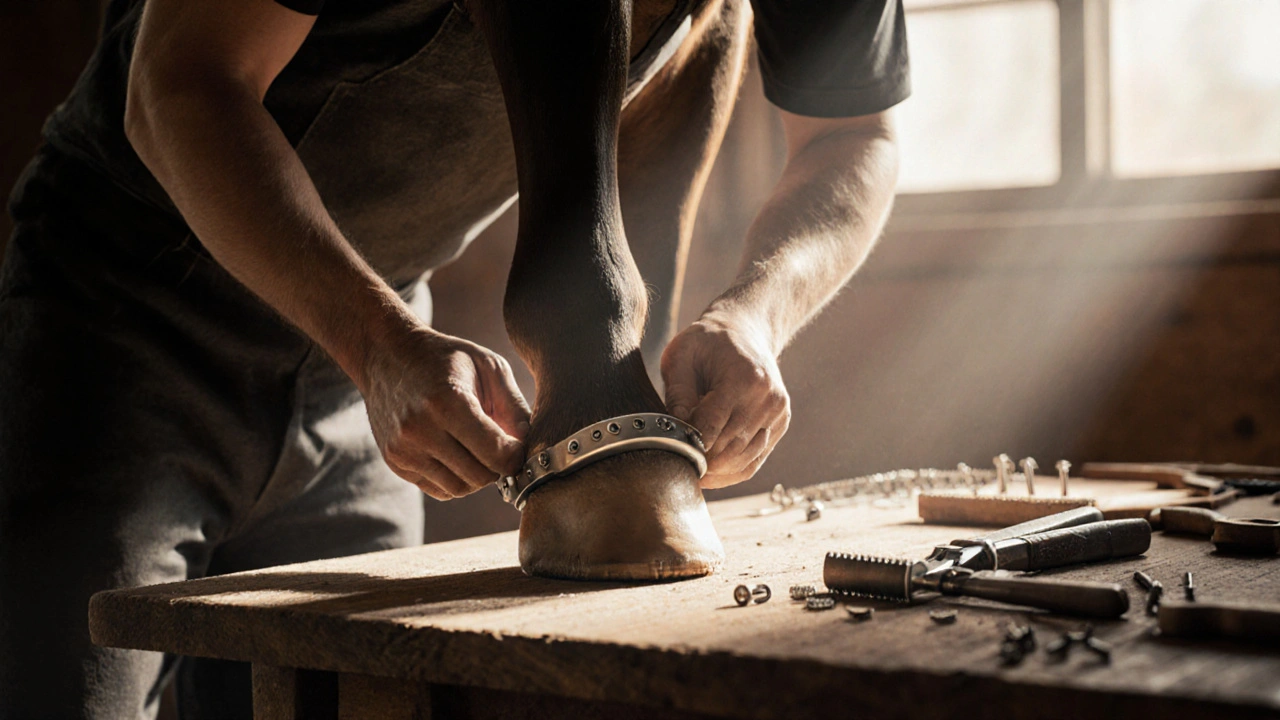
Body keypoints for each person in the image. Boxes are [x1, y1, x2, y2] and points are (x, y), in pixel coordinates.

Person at [0, 0, 909, 716]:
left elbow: (853, 134)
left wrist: (756, 313)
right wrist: (377, 344)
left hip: (374, 360)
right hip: (122, 323)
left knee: (361, 699)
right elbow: (178, 86)